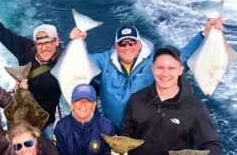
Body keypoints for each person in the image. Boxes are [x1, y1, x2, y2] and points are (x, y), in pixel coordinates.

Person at [70, 19, 224, 130]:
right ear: (115, 47)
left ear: (139, 44)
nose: (127, 47)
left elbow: (181, 59)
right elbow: (78, 63)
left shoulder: (154, 62)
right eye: (122, 43)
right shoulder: (104, 60)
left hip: (141, 127)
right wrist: (78, 41)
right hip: (110, 127)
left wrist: (204, 34)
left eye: (132, 43)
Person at [0, 0, 62, 141]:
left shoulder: (65, 62)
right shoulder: (25, 48)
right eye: (40, 44)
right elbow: (0, 31)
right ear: (35, 44)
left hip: (45, 123)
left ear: (57, 42)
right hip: (21, 120)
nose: (44, 48)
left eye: (48, 42)